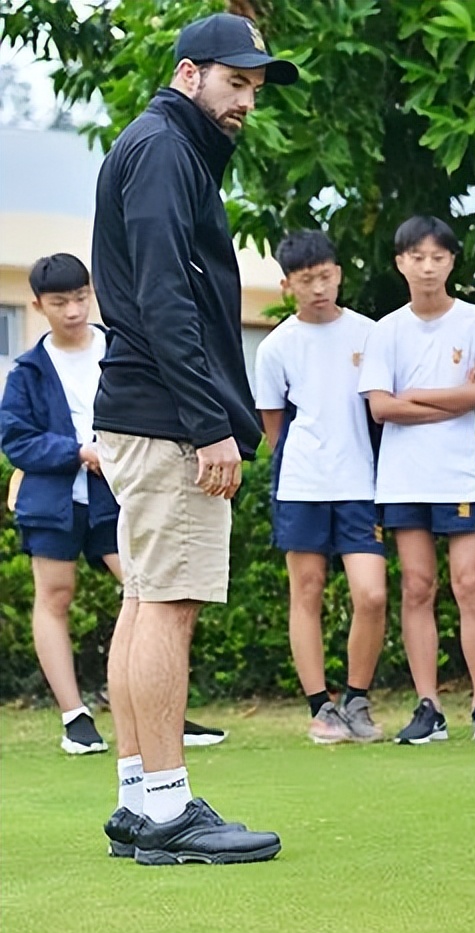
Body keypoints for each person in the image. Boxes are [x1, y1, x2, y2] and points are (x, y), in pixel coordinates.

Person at [90, 12, 296, 865]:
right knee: (166, 606)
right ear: (188, 75)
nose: (245, 99)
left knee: (144, 601)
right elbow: (168, 297)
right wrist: (210, 420)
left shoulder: (156, 146)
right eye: (234, 81)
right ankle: (171, 812)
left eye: (253, 87)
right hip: (169, 414)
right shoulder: (168, 150)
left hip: (141, 408)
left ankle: (141, 800)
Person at [0, 255, 228, 756]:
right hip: (56, 500)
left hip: (121, 494)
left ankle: (162, 709)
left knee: (154, 596)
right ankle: (74, 715)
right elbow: (15, 439)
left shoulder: (119, 344)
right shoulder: (28, 370)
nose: (74, 310)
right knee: (54, 597)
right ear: (38, 306)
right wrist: (79, 452)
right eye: (60, 302)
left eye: (81, 297)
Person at [359, 216, 475, 745]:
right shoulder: (385, 330)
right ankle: (428, 705)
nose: (427, 267)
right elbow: (380, 408)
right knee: (417, 587)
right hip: (403, 480)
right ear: (400, 262)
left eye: (438, 257)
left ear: (451, 261)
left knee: (470, 585)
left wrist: (416, 397)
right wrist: (450, 396)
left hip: (464, 475)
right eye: (416, 257)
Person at [254, 230, 387, 745]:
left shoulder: (370, 334)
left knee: (371, 594)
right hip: (302, 483)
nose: (319, 289)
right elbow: (273, 428)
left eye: (326, 276)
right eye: (307, 281)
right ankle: (320, 707)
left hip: (363, 483)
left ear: (339, 273)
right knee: (306, 592)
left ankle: (356, 697)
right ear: (288, 284)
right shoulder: (275, 347)